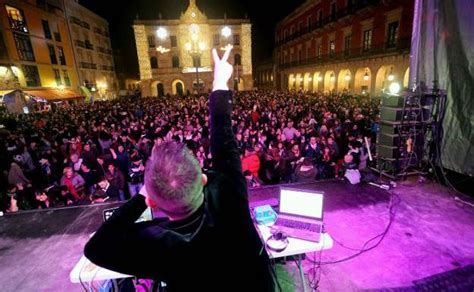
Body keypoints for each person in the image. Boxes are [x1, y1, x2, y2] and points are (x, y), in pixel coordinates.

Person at [84, 46, 276, 291]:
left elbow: (95, 248)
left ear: (153, 202)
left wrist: (143, 197)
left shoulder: (156, 245)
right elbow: (223, 139)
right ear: (204, 180)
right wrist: (219, 82)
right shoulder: (231, 200)